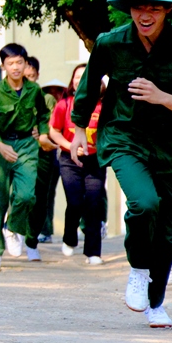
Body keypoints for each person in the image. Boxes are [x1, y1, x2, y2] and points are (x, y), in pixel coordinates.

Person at [69, 0, 172, 329]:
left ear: (168, 11)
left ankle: (156, 304)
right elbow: (88, 87)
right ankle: (137, 266)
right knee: (143, 203)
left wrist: (164, 98)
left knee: (167, 231)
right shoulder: (110, 43)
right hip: (124, 137)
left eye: (154, 7)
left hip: (170, 146)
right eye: (138, 6)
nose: (145, 14)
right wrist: (77, 131)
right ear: (129, 9)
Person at [0, 44, 51, 271]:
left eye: (19, 62)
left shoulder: (34, 90)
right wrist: (0, 146)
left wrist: (42, 134)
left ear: (25, 63)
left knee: (27, 195)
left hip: (26, 145)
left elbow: (43, 114)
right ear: (3, 67)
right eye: (10, 63)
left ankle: (13, 227)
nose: (15, 67)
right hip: (0, 145)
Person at [49, 63, 107, 263]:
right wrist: (69, 146)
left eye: (85, 76)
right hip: (69, 160)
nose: (80, 80)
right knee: (75, 202)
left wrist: (98, 148)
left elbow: (109, 134)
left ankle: (93, 252)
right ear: (72, 83)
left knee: (94, 203)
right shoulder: (64, 104)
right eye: (76, 77)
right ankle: (69, 238)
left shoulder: (104, 107)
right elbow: (53, 131)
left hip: (95, 161)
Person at [24, 57, 61, 244]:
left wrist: (42, 133)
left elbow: (51, 125)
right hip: (19, 152)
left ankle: (42, 230)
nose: (29, 79)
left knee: (43, 194)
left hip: (44, 153)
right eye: (26, 76)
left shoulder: (46, 99)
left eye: (32, 76)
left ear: (38, 75)